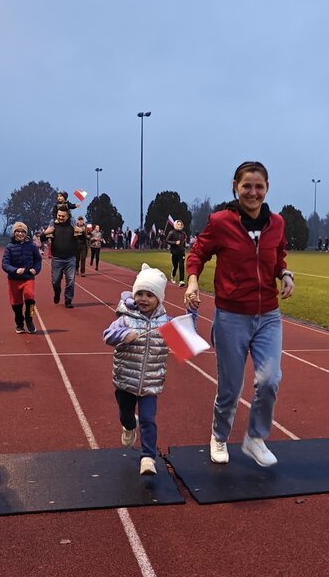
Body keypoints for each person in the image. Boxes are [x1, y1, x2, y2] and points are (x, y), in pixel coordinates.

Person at [184, 160, 294, 467]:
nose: (253, 192)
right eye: (247, 186)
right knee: (230, 389)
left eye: (259, 186)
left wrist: (285, 274)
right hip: (231, 317)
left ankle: (255, 438)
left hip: (268, 315)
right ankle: (219, 436)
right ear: (235, 186)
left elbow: (278, 255)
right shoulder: (221, 222)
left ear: (267, 188)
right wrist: (192, 281)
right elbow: (198, 252)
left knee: (270, 380)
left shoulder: (277, 223)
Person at [104, 264, 171, 476]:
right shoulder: (126, 318)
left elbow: (187, 332)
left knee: (148, 419)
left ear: (159, 299)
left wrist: (193, 312)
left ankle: (148, 457)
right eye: (140, 293)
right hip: (125, 380)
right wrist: (123, 335)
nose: (143, 299)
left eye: (150, 295)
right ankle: (129, 425)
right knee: (126, 416)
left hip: (150, 383)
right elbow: (107, 335)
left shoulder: (165, 323)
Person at [2, 221, 42, 334]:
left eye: (23, 231)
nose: (20, 234)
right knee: (16, 303)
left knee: (30, 298)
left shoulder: (32, 246)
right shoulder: (9, 247)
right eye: (18, 231)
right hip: (14, 279)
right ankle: (19, 323)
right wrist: (15, 270)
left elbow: (38, 260)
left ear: (26, 233)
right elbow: (5, 264)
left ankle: (29, 319)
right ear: (14, 233)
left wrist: (36, 269)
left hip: (28, 278)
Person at [42, 206, 77, 307]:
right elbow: (42, 238)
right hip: (57, 259)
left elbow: (82, 238)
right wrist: (45, 233)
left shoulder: (72, 226)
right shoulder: (53, 226)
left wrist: (82, 233)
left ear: (68, 216)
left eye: (63, 216)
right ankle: (57, 293)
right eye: (59, 215)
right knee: (55, 281)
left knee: (70, 281)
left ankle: (68, 300)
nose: (60, 217)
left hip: (70, 258)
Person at [166, 218, 188, 287]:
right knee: (175, 266)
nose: (180, 226)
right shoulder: (171, 232)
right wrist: (175, 242)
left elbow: (184, 241)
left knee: (181, 265)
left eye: (181, 224)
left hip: (181, 252)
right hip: (174, 252)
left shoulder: (183, 233)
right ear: (175, 225)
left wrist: (185, 245)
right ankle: (173, 275)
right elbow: (167, 240)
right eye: (178, 224)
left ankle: (181, 281)